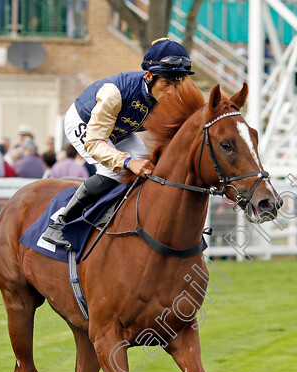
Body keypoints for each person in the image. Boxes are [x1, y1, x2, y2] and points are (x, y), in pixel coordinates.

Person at [42, 38, 195, 248]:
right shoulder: (113, 93)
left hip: (121, 130)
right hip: (86, 123)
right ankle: (59, 224)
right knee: (114, 171)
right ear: (149, 76)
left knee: (151, 169)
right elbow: (95, 142)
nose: (172, 92)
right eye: (166, 83)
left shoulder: (172, 96)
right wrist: (127, 162)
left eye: (177, 84)